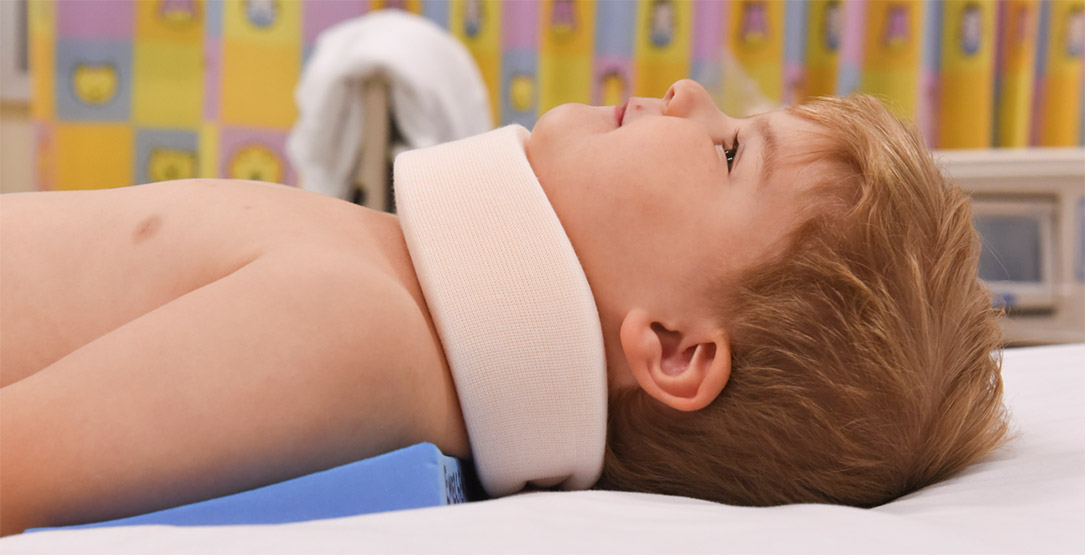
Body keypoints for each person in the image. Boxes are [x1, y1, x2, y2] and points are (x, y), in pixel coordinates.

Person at [0, 79, 1008, 535]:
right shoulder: (392, 298)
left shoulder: (367, 336)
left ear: (671, 350)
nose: (689, 92)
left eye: (731, 151)